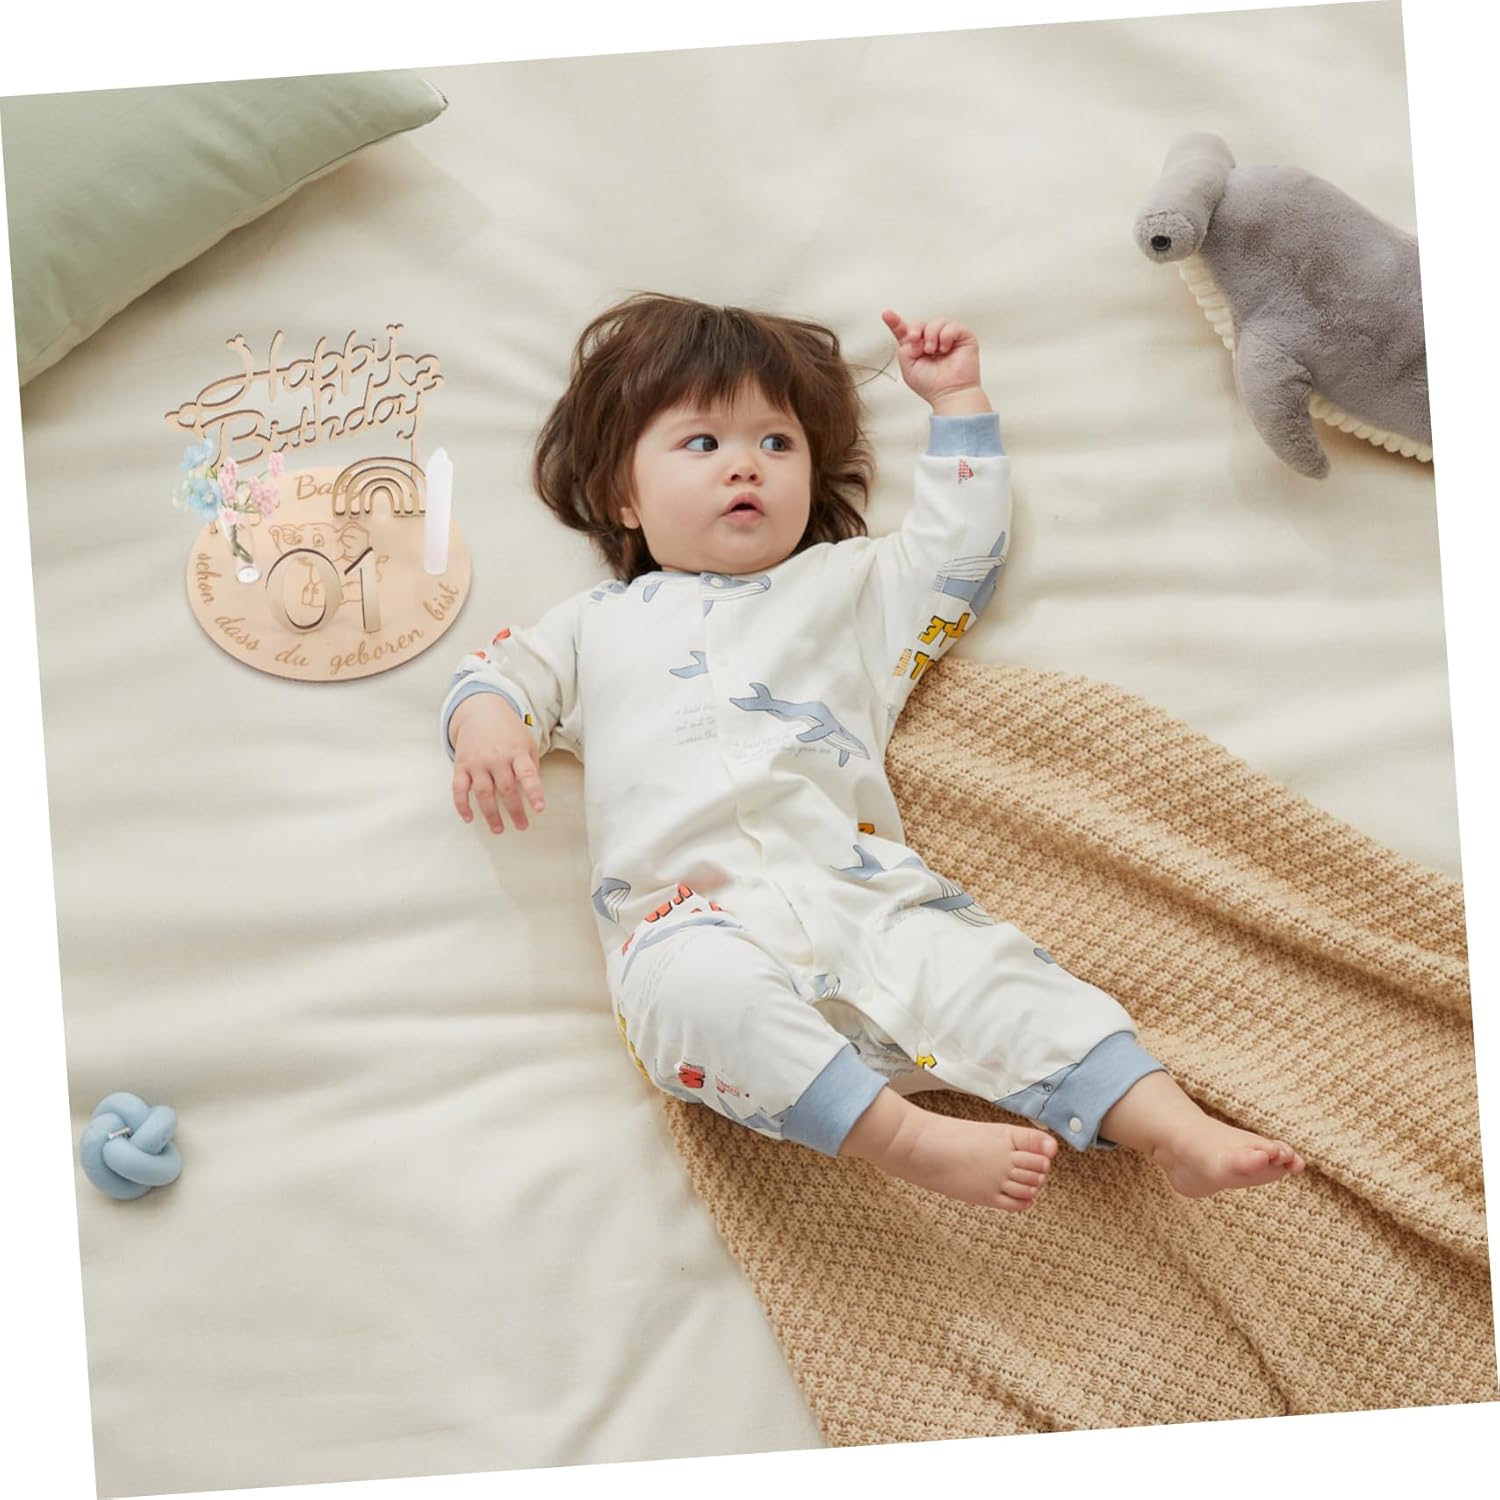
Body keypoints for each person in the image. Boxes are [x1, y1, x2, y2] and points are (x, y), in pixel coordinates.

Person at [441, 293, 1305, 1211]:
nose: (745, 464)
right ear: (624, 497)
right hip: (690, 922)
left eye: (777, 443)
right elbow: (501, 674)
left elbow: (955, 552)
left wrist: (958, 403)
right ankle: (903, 1139)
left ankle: (1173, 1130)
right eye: (702, 443)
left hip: (865, 905)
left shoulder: (847, 588)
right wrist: (488, 724)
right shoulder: (594, 626)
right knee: (694, 998)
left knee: (1001, 980)